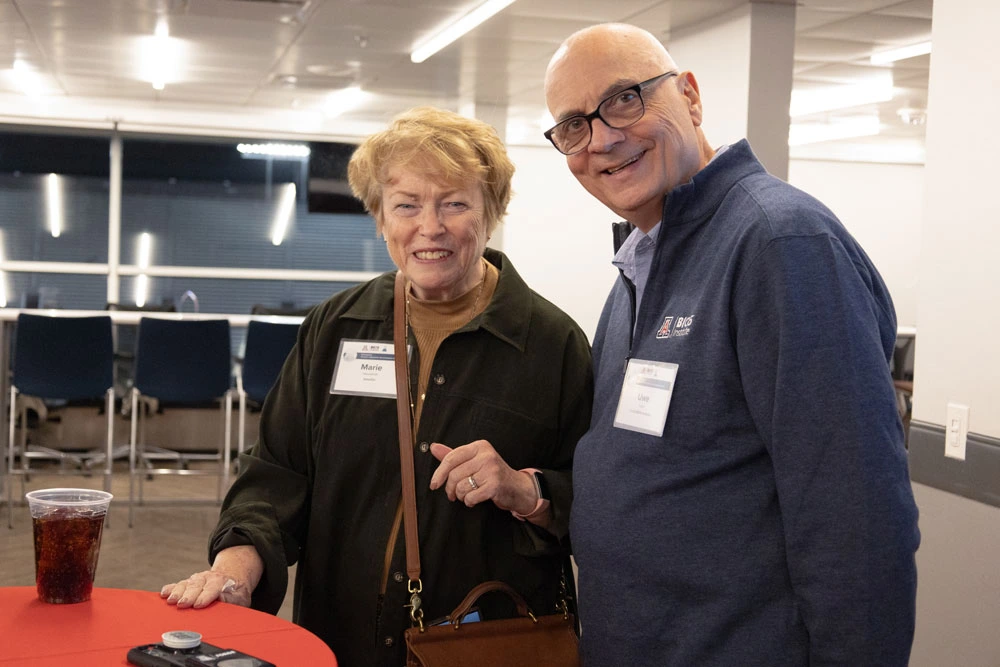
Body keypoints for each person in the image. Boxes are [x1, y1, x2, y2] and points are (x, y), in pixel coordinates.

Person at [160, 106, 593, 666]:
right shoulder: (334, 328)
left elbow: (601, 501)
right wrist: (234, 571)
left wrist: (526, 490)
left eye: (454, 203)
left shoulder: (552, 345)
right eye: (406, 205)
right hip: (341, 637)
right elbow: (277, 474)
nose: (429, 227)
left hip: (484, 643)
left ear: (491, 211)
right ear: (380, 216)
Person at [543, 23, 920, 666]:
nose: (602, 137)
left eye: (626, 98)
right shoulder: (643, 264)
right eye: (573, 125)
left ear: (689, 97)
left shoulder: (779, 243)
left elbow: (855, 525)